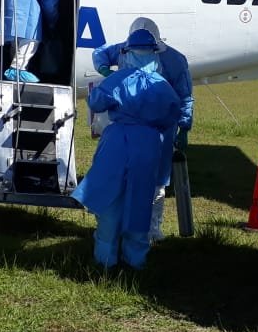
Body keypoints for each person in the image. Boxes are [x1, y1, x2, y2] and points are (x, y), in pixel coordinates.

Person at [72, 28, 181, 270]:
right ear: (154, 55)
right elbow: (173, 114)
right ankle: (136, 259)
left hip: (117, 140)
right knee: (141, 198)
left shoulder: (117, 79)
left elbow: (96, 101)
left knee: (110, 197)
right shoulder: (162, 85)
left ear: (128, 53)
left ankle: (105, 258)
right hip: (149, 142)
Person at [91, 17, 193, 240]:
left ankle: (149, 229)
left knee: (155, 180)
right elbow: (100, 53)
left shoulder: (173, 62)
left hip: (154, 132)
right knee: (131, 178)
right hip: (136, 130)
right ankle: (131, 230)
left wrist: (184, 127)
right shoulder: (124, 52)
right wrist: (104, 69)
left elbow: (184, 98)